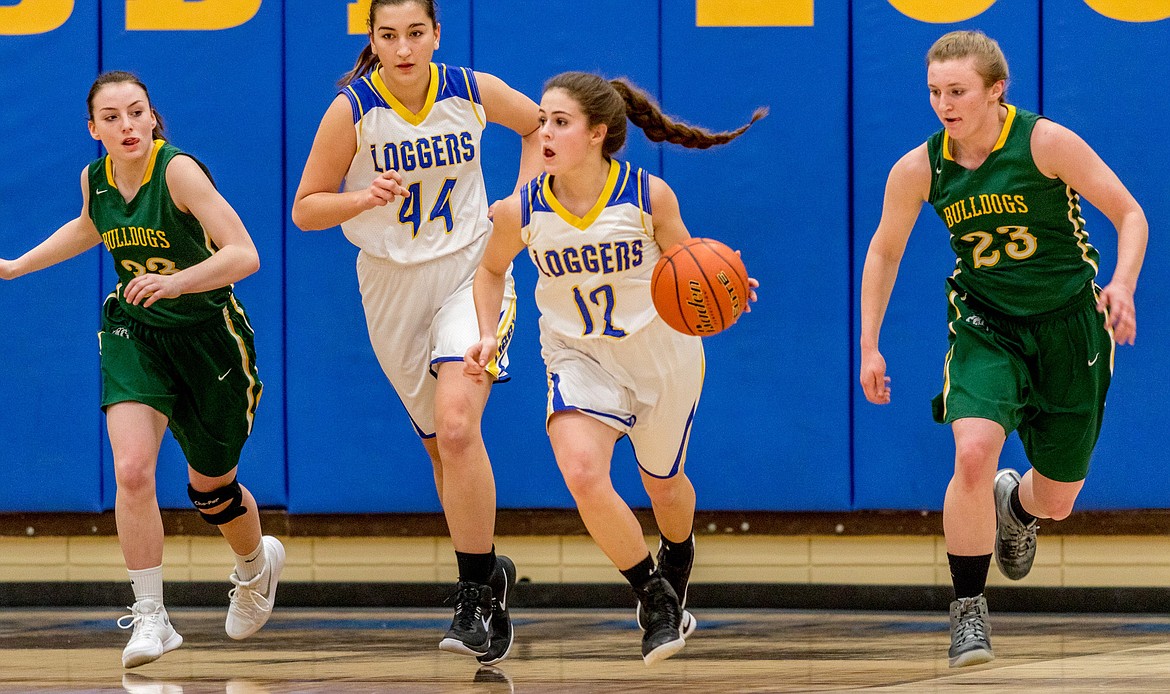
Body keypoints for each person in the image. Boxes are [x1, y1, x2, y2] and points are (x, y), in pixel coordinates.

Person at [859, 30, 1147, 667]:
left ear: (996, 91)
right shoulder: (919, 168)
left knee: (1059, 500)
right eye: (934, 91)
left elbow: (1130, 214)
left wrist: (1122, 284)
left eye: (957, 91)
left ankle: (1017, 506)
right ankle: (968, 610)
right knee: (973, 451)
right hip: (986, 323)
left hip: (1071, 326)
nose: (944, 104)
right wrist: (870, 344)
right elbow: (884, 249)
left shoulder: (1046, 143)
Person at [464, 71, 762, 664]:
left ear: (598, 133)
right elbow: (491, 270)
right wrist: (486, 334)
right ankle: (652, 596)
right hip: (577, 354)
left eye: (560, 121)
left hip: (660, 351)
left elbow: (685, 258)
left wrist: (725, 285)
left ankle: (678, 552)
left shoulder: (648, 195)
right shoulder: (519, 208)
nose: (543, 131)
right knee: (581, 471)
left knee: (663, 483)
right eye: (542, 120)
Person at [0, 71, 284, 668]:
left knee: (212, 490)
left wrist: (176, 282)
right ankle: (152, 617)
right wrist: (15, 267)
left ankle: (256, 564)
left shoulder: (178, 172)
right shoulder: (95, 179)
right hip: (136, 329)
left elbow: (245, 254)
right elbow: (91, 225)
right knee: (132, 469)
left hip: (210, 338)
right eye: (112, 117)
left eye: (136, 113)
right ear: (93, 128)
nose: (126, 126)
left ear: (153, 118)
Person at [290, 0, 541, 665]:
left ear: (436, 35)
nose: (403, 47)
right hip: (391, 286)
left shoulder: (470, 89)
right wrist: (362, 197)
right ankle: (489, 570)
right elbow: (306, 209)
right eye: (389, 35)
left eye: (415, 33)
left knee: (458, 427)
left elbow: (539, 128)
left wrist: (518, 204)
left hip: (472, 273)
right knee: (441, 448)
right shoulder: (352, 109)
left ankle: (473, 597)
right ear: (373, 39)